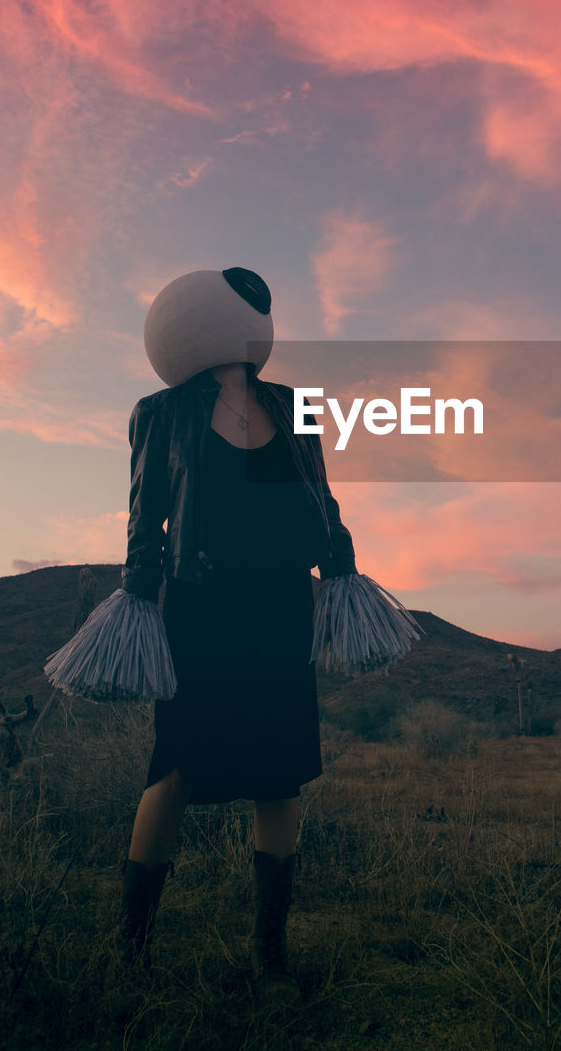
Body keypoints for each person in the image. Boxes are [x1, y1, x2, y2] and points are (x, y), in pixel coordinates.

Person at [116, 265, 357, 1003]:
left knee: (279, 776)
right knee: (176, 768)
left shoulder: (293, 408)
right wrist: (135, 599)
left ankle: (269, 957)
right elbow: (145, 513)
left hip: (282, 606)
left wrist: (342, 570)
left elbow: (320, 495)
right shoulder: (160, 413)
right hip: (198, 609)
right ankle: (131, 956)